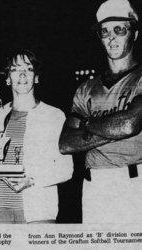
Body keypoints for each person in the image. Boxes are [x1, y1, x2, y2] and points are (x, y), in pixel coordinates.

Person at [59, 0, 142, 223]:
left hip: (132, 182)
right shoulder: (86, 88)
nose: (111, 37)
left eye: (119, 29)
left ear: (133, 34)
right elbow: (66, 143)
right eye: (105, 31)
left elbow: (129, 125)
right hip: (94, 185)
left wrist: (86, 124)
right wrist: (112, 128)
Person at [0, 49, 73, 224]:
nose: (22, 74)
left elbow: (66, 169)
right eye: (15, 69)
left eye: (28, 68)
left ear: (36, 77)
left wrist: (31, 180)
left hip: (38, 212)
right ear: (7, 78)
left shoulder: (54, 116)